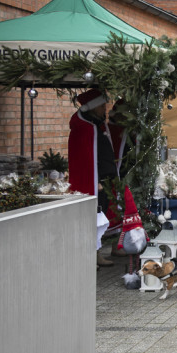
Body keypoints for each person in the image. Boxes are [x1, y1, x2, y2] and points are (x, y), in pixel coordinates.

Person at [67, 88, 125, 267]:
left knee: (100, 218)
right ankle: (93, 255)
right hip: (97, 182)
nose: (104, 109)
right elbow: (86, 159)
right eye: (101, 105)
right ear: (92, 107)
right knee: (94, 218)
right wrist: (96, 181)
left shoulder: (97, 125)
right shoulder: (85, 128)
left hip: (104, 180)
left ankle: (96, 254)